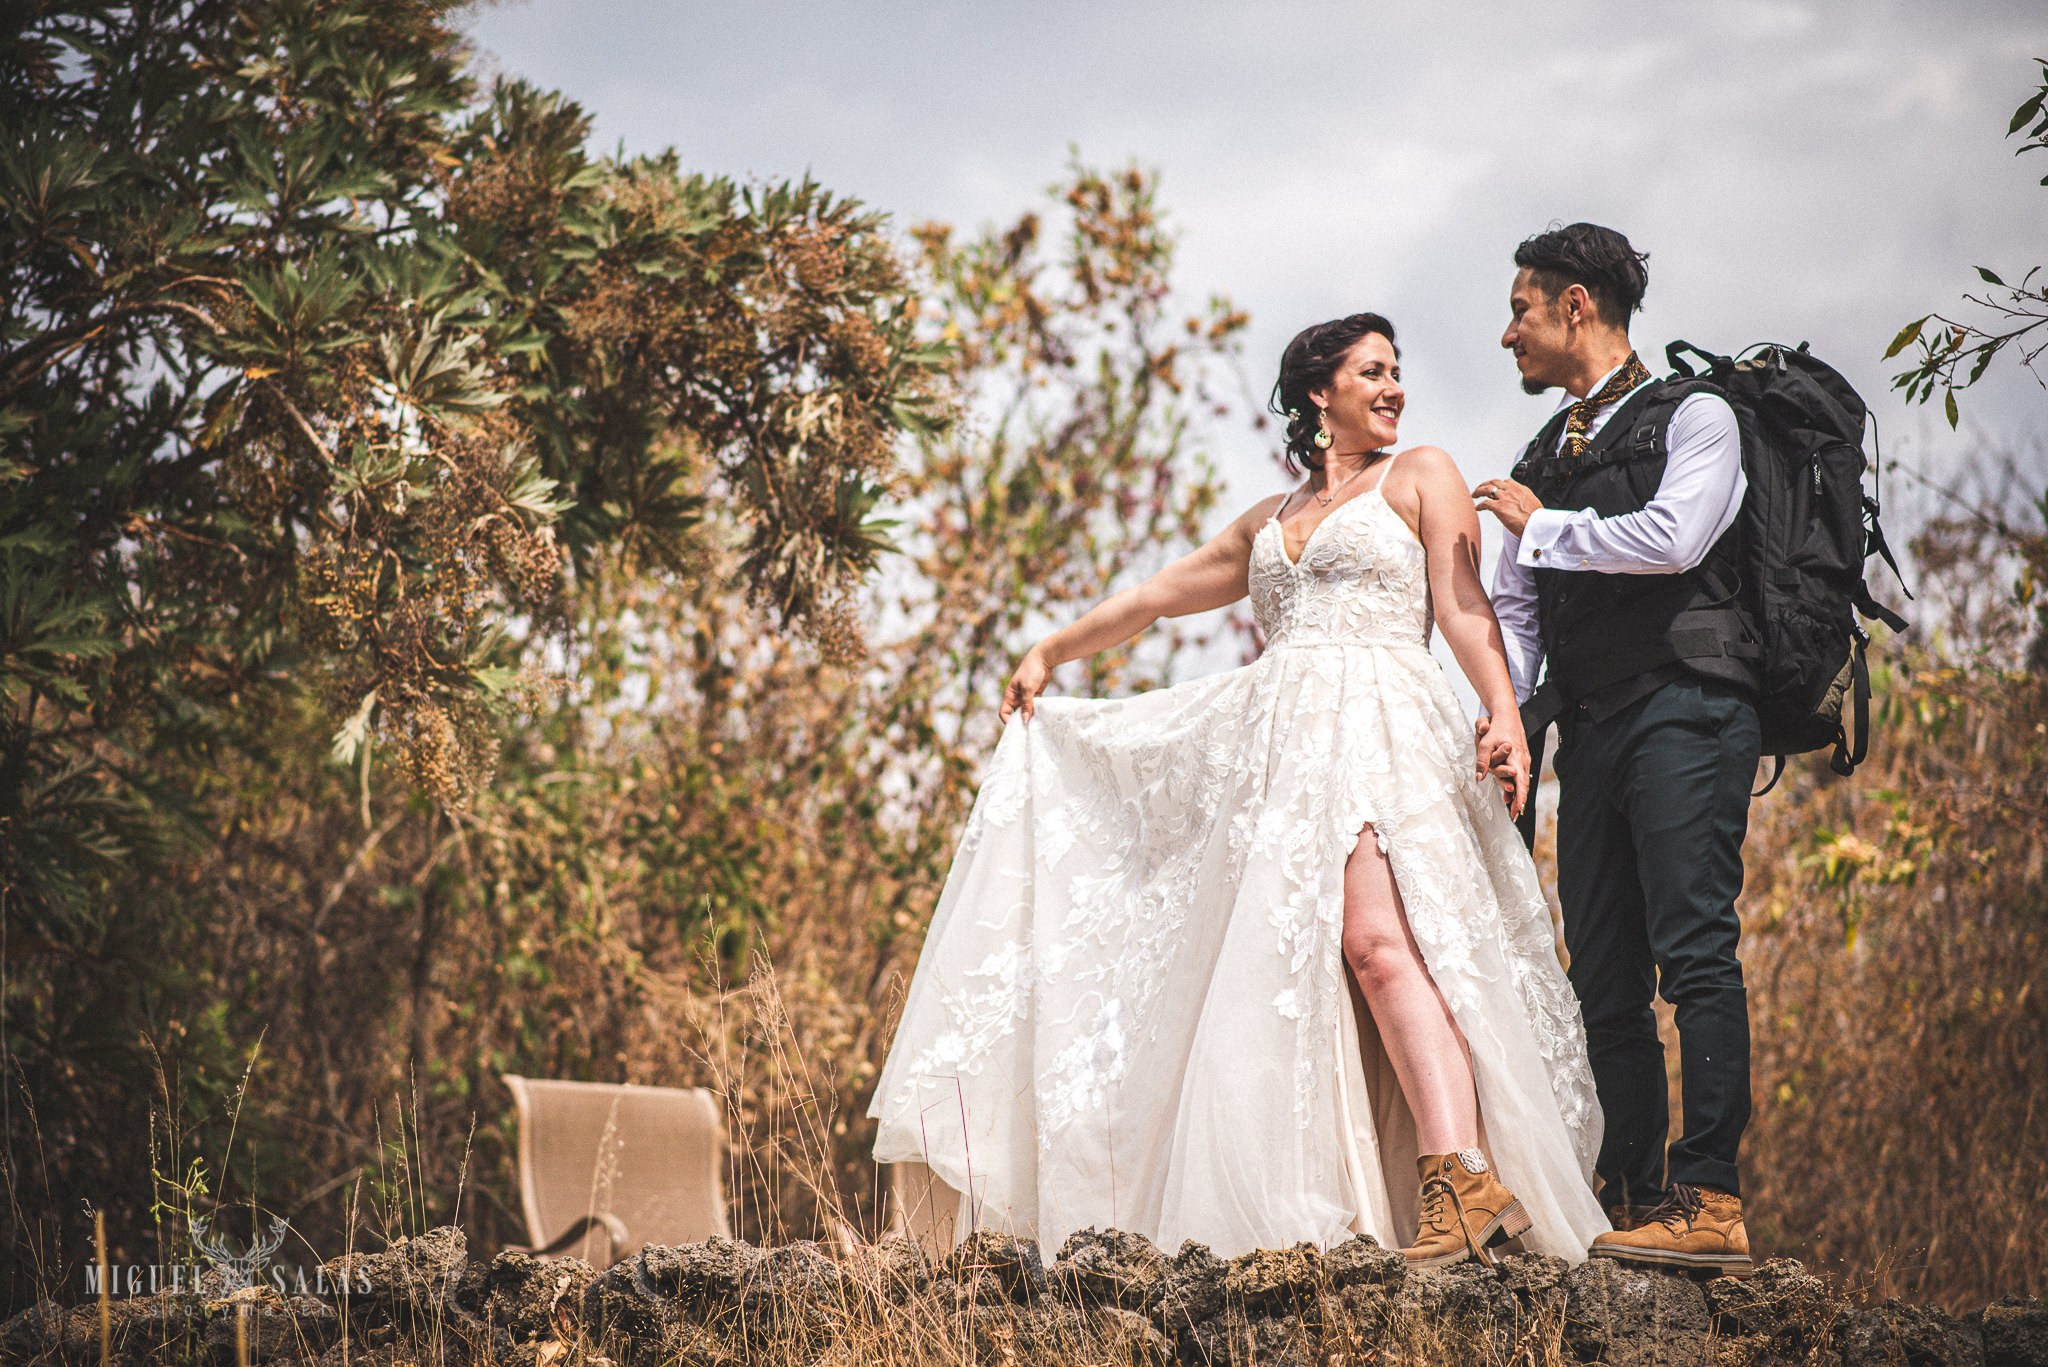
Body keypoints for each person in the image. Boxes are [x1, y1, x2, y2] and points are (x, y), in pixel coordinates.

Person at [870, 313, 1609, 1267]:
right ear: (1319, 392)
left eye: (1396, 370)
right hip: (1282, 755)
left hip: (1382, 726)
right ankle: (1375, 1191)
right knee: (1301, 967)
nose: (1393, 387)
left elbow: (1464, 605)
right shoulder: (1270, 520)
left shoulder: (1422, 472)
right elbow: (1158, 595)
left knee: (1383, 947)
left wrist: (1503, 711)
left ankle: (1463, 1179)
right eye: (1372, 371)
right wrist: (1053, 647)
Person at [1472, 223, 1758, 1275]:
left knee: (1691, 949)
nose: (1507, 334)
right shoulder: (1536, 457)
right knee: (1598, 972)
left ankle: (1710, 1195)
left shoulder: (1699, 416)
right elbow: (1515, 606)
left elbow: (1676, 537)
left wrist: (1542, 524)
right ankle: (1633, 1196)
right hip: (1583, 731)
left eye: (1520, 310)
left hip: (1685, 706)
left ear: (1575, 307)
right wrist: (1503, 709)